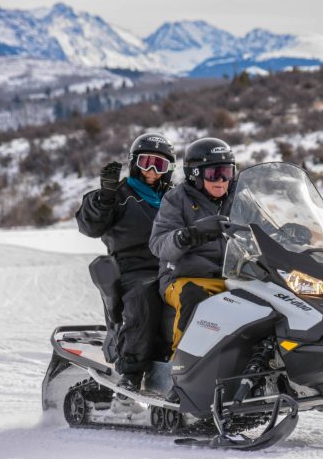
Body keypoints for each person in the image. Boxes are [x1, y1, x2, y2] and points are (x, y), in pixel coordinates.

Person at [76, 132, 176, 390]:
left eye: (160, 165)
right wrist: (104, 198)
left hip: (175, 265)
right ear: (134, 163)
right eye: (146, 162)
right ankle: (132, 372)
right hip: (135, 268)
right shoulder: (118, 194)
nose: (152, 171)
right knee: (145, 295)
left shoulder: (175, 198)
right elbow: (90, 226)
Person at [149, 137, 237, 351]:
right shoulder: (176, 199)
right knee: (193, 297)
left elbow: (264, 223)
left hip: (234, 278)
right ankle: (182, 370)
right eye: (214, 174)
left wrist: (289, 229)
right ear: (195, 174)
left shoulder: (240, 198)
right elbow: (158, 243)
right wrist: (188, 235)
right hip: (183, 278)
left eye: (227, 172)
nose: (221, 180)